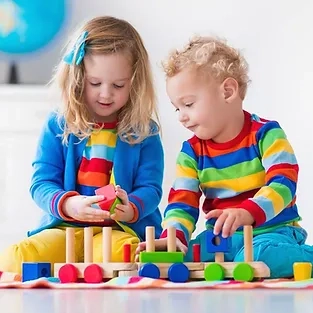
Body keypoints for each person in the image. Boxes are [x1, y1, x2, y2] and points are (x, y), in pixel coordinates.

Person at [136, 36, 313, 278]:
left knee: (258, 255)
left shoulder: (266, 134)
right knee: (177, 258)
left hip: (272, 231)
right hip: (222, 240)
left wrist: (248, 212)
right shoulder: (192, 152)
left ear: (228, 91)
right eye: (177, 108)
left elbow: (284, 182)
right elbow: (182, 202)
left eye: (188, 104)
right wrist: (174, 237)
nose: (181, 117)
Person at [0, 16, 164, 275]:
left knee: (130, 256)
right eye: (95, 83)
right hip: (64, 228)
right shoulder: (58, 124)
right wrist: (67, 205)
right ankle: (81, 264)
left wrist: (130, 207)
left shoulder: (145, 132)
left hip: (116, 231)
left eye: (118, 85)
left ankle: (87, 265)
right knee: (14, 258)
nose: (106, 93)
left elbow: (151, 188)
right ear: (77, 77)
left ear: (135, 82)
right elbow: (41, 182)